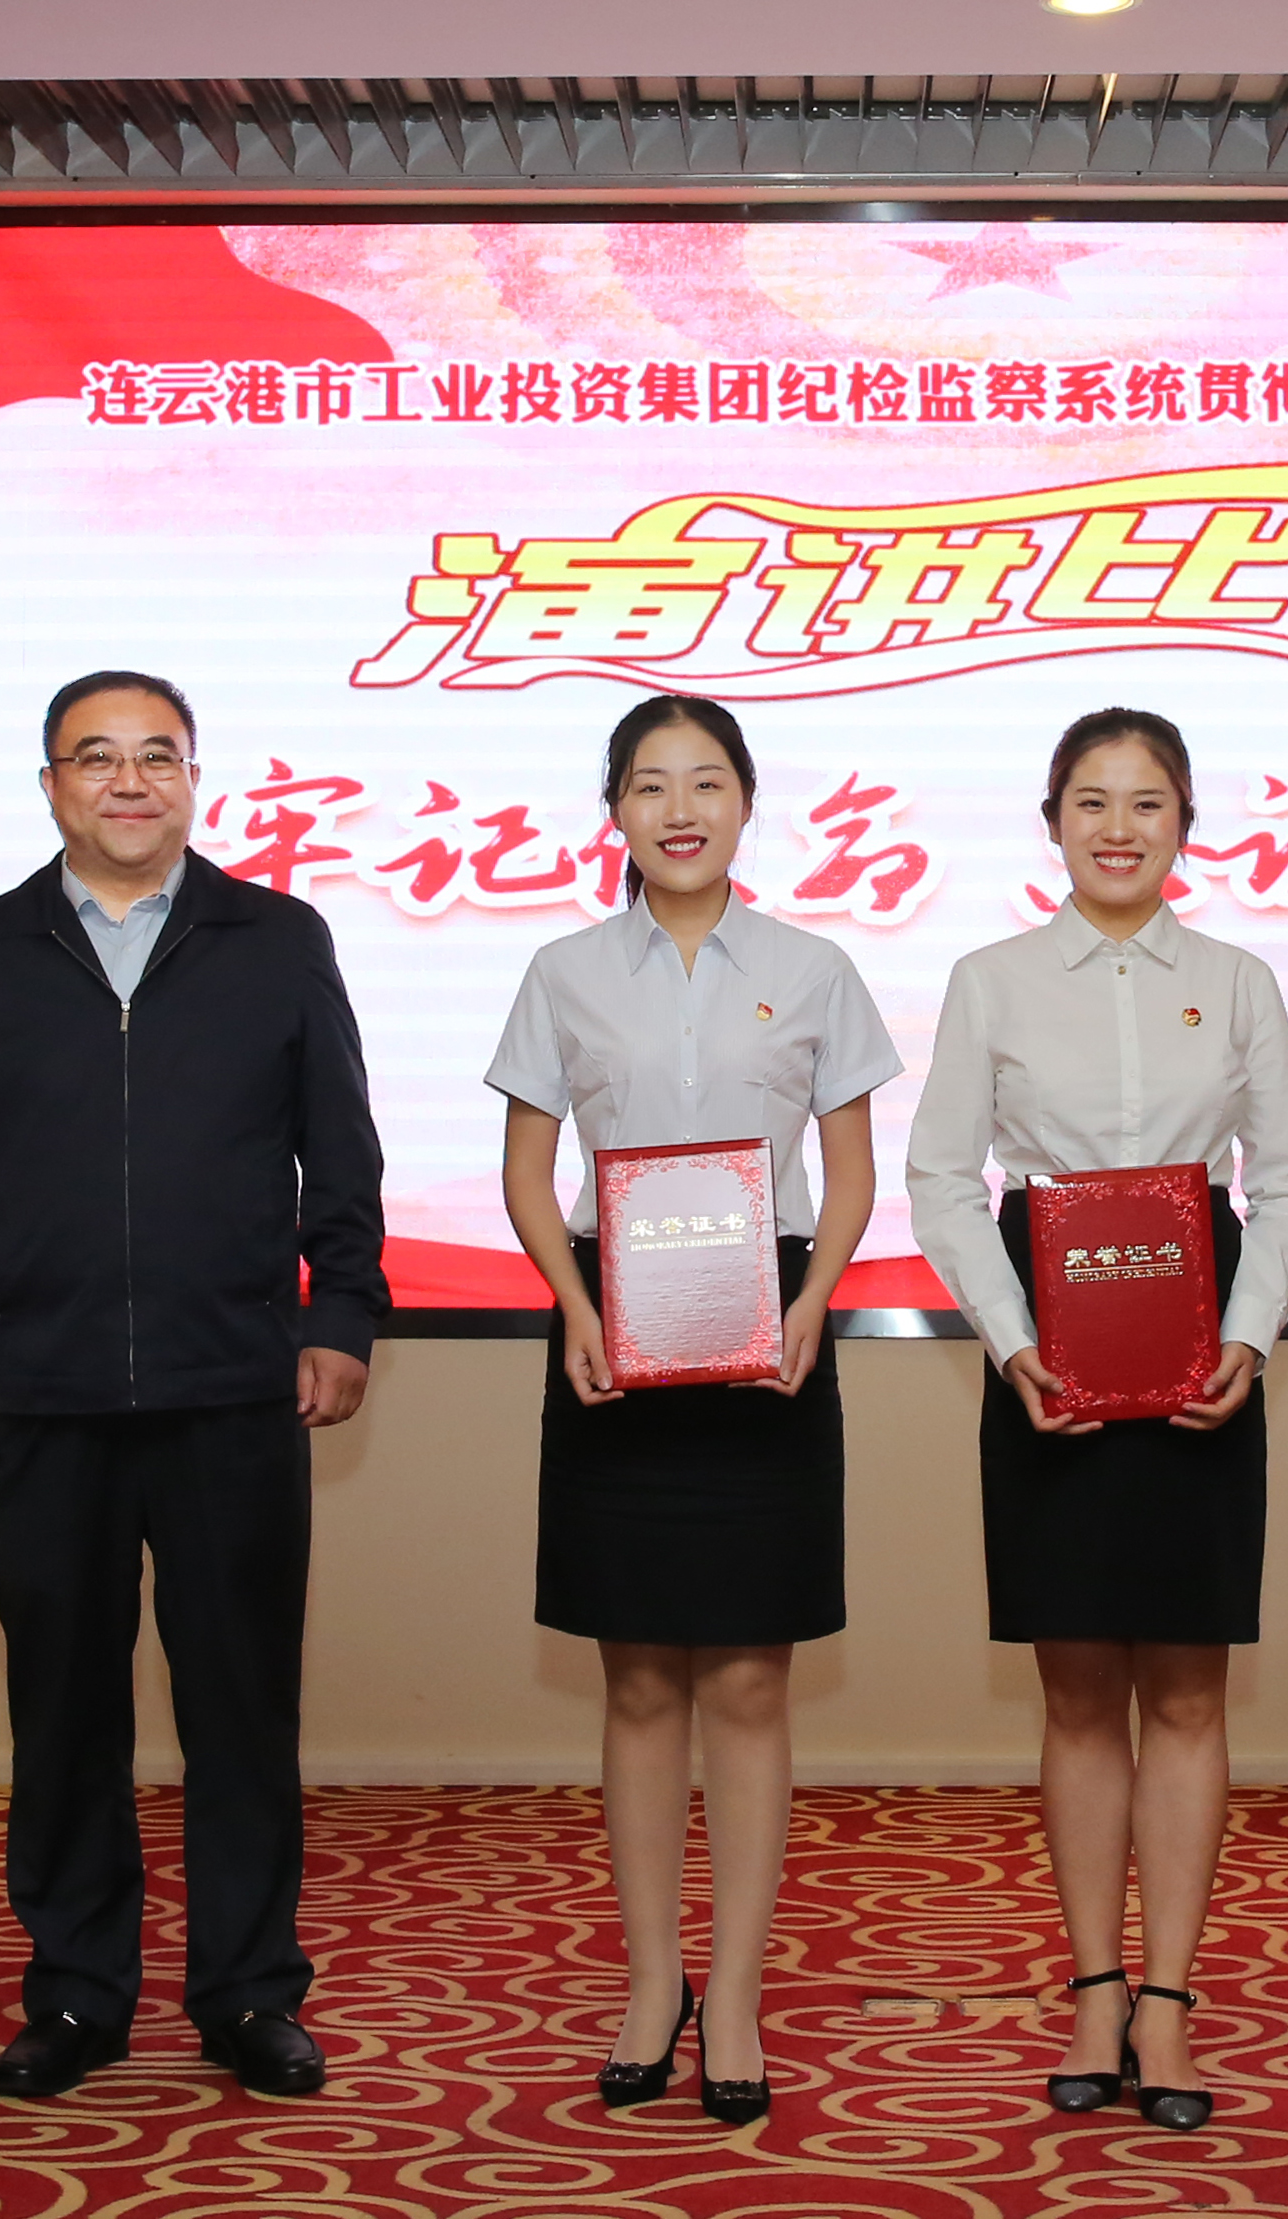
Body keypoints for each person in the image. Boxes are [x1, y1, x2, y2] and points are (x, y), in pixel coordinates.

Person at [0, 669, 389, 2103]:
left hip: (233, 1386)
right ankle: (75, 1991)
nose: (128, 781)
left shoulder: (277, 938)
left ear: (193, 780)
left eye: (156, 755)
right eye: (95, 757)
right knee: (62, 1710)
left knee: (243, 1708)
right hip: (36, 1393)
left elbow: (340, 1151)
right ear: (50, 784)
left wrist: (342, 1316)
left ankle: (248, 1993)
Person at [906, 707, 1288, 2135]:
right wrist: (1011, 1339)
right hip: (1050, 1348)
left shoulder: (1239, 980)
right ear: (1051, 823)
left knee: (1191, 1693)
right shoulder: (991, 981)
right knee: (1079, 1689)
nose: (1118, 828)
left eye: (1147, 803)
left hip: (1204, 1338)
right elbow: (942, 1178)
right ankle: (1094, 1985)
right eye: (1090, 801)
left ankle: (1168, 2001)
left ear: (1185, 825)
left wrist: (1249, 1334)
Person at [486, 694, 899, 2130]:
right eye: (651, 784)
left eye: (707, 781)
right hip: (615, 1326)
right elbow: (529, 1170)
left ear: (745, 802)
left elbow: (848, 1172)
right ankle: (650, 1979)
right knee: (640, 1679)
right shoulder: (561, 971)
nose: (680, 808)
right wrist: (570, 1302)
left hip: (765, 1326)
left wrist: (816, 1298)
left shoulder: (813, 968)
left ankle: (734, 1990)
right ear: (614, 809)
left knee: (748, 1679)